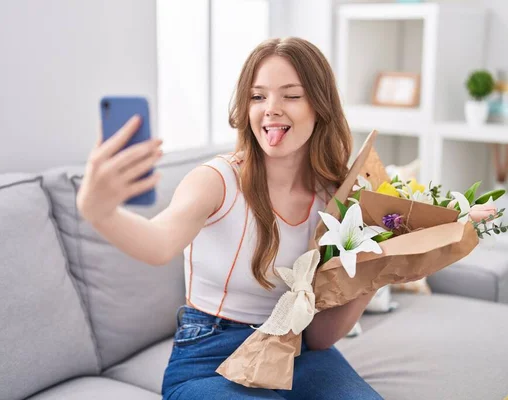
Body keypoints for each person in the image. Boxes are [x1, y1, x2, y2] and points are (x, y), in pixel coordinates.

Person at [76, 37, 383, 400]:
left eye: (291, 95)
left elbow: (319, 337)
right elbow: (159, 244)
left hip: (296, 352)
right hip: (210, 358)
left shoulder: (335, 197)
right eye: (258, 96)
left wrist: (380, 270)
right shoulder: (216, 180)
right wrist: (100, 211)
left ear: (320, 105)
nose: (271, 109)